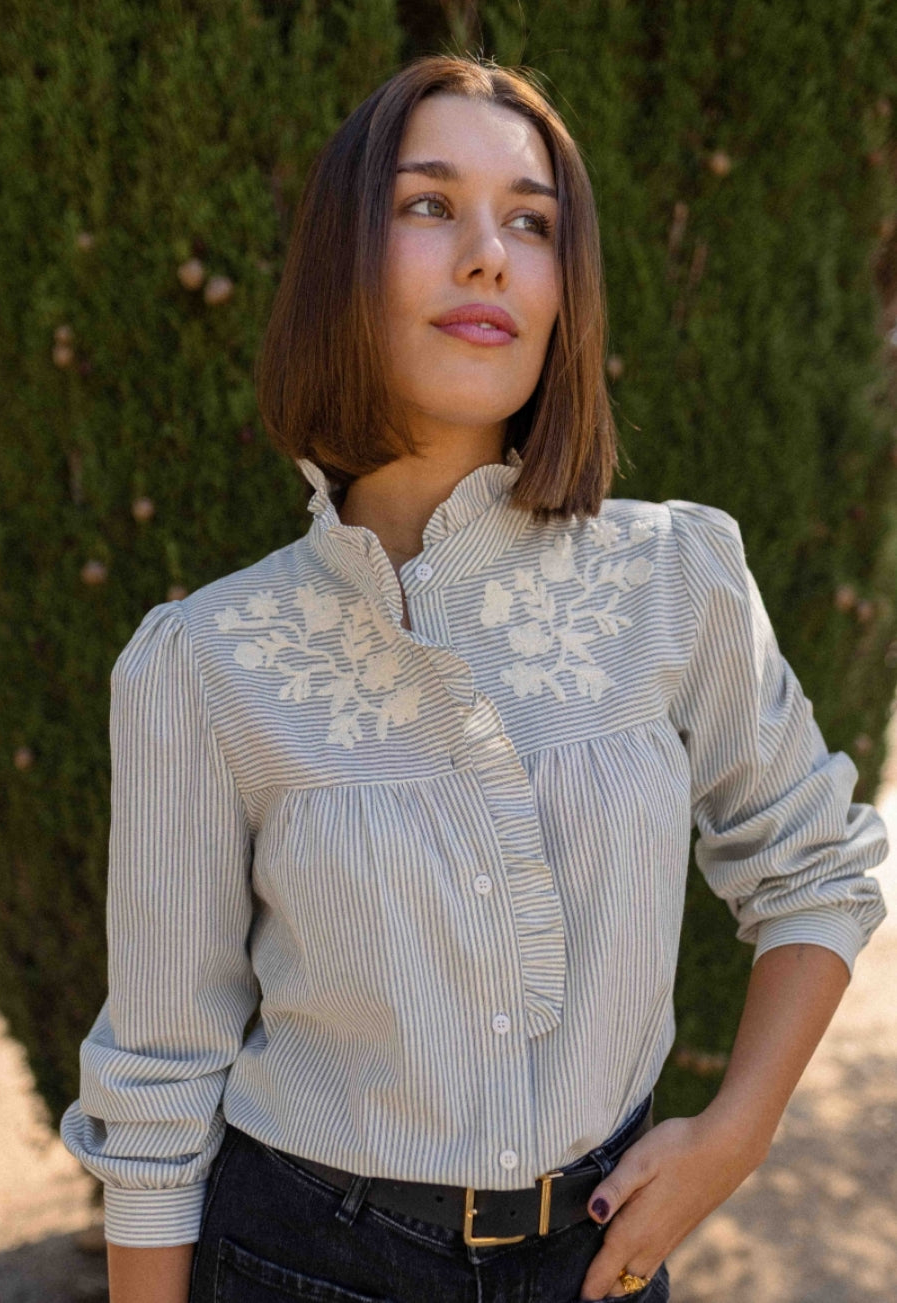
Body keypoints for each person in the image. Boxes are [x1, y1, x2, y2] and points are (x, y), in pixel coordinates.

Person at [60, 53, 889, 1303]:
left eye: (531, 223)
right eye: (428, 204)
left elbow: (813, 864)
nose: (488, 256)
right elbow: (161, 1072)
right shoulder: (207, 658)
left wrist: (735, 1130)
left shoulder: (674, 578)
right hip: (296, 1262)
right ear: (342, 261)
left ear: (566, 290)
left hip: (599, 1263)